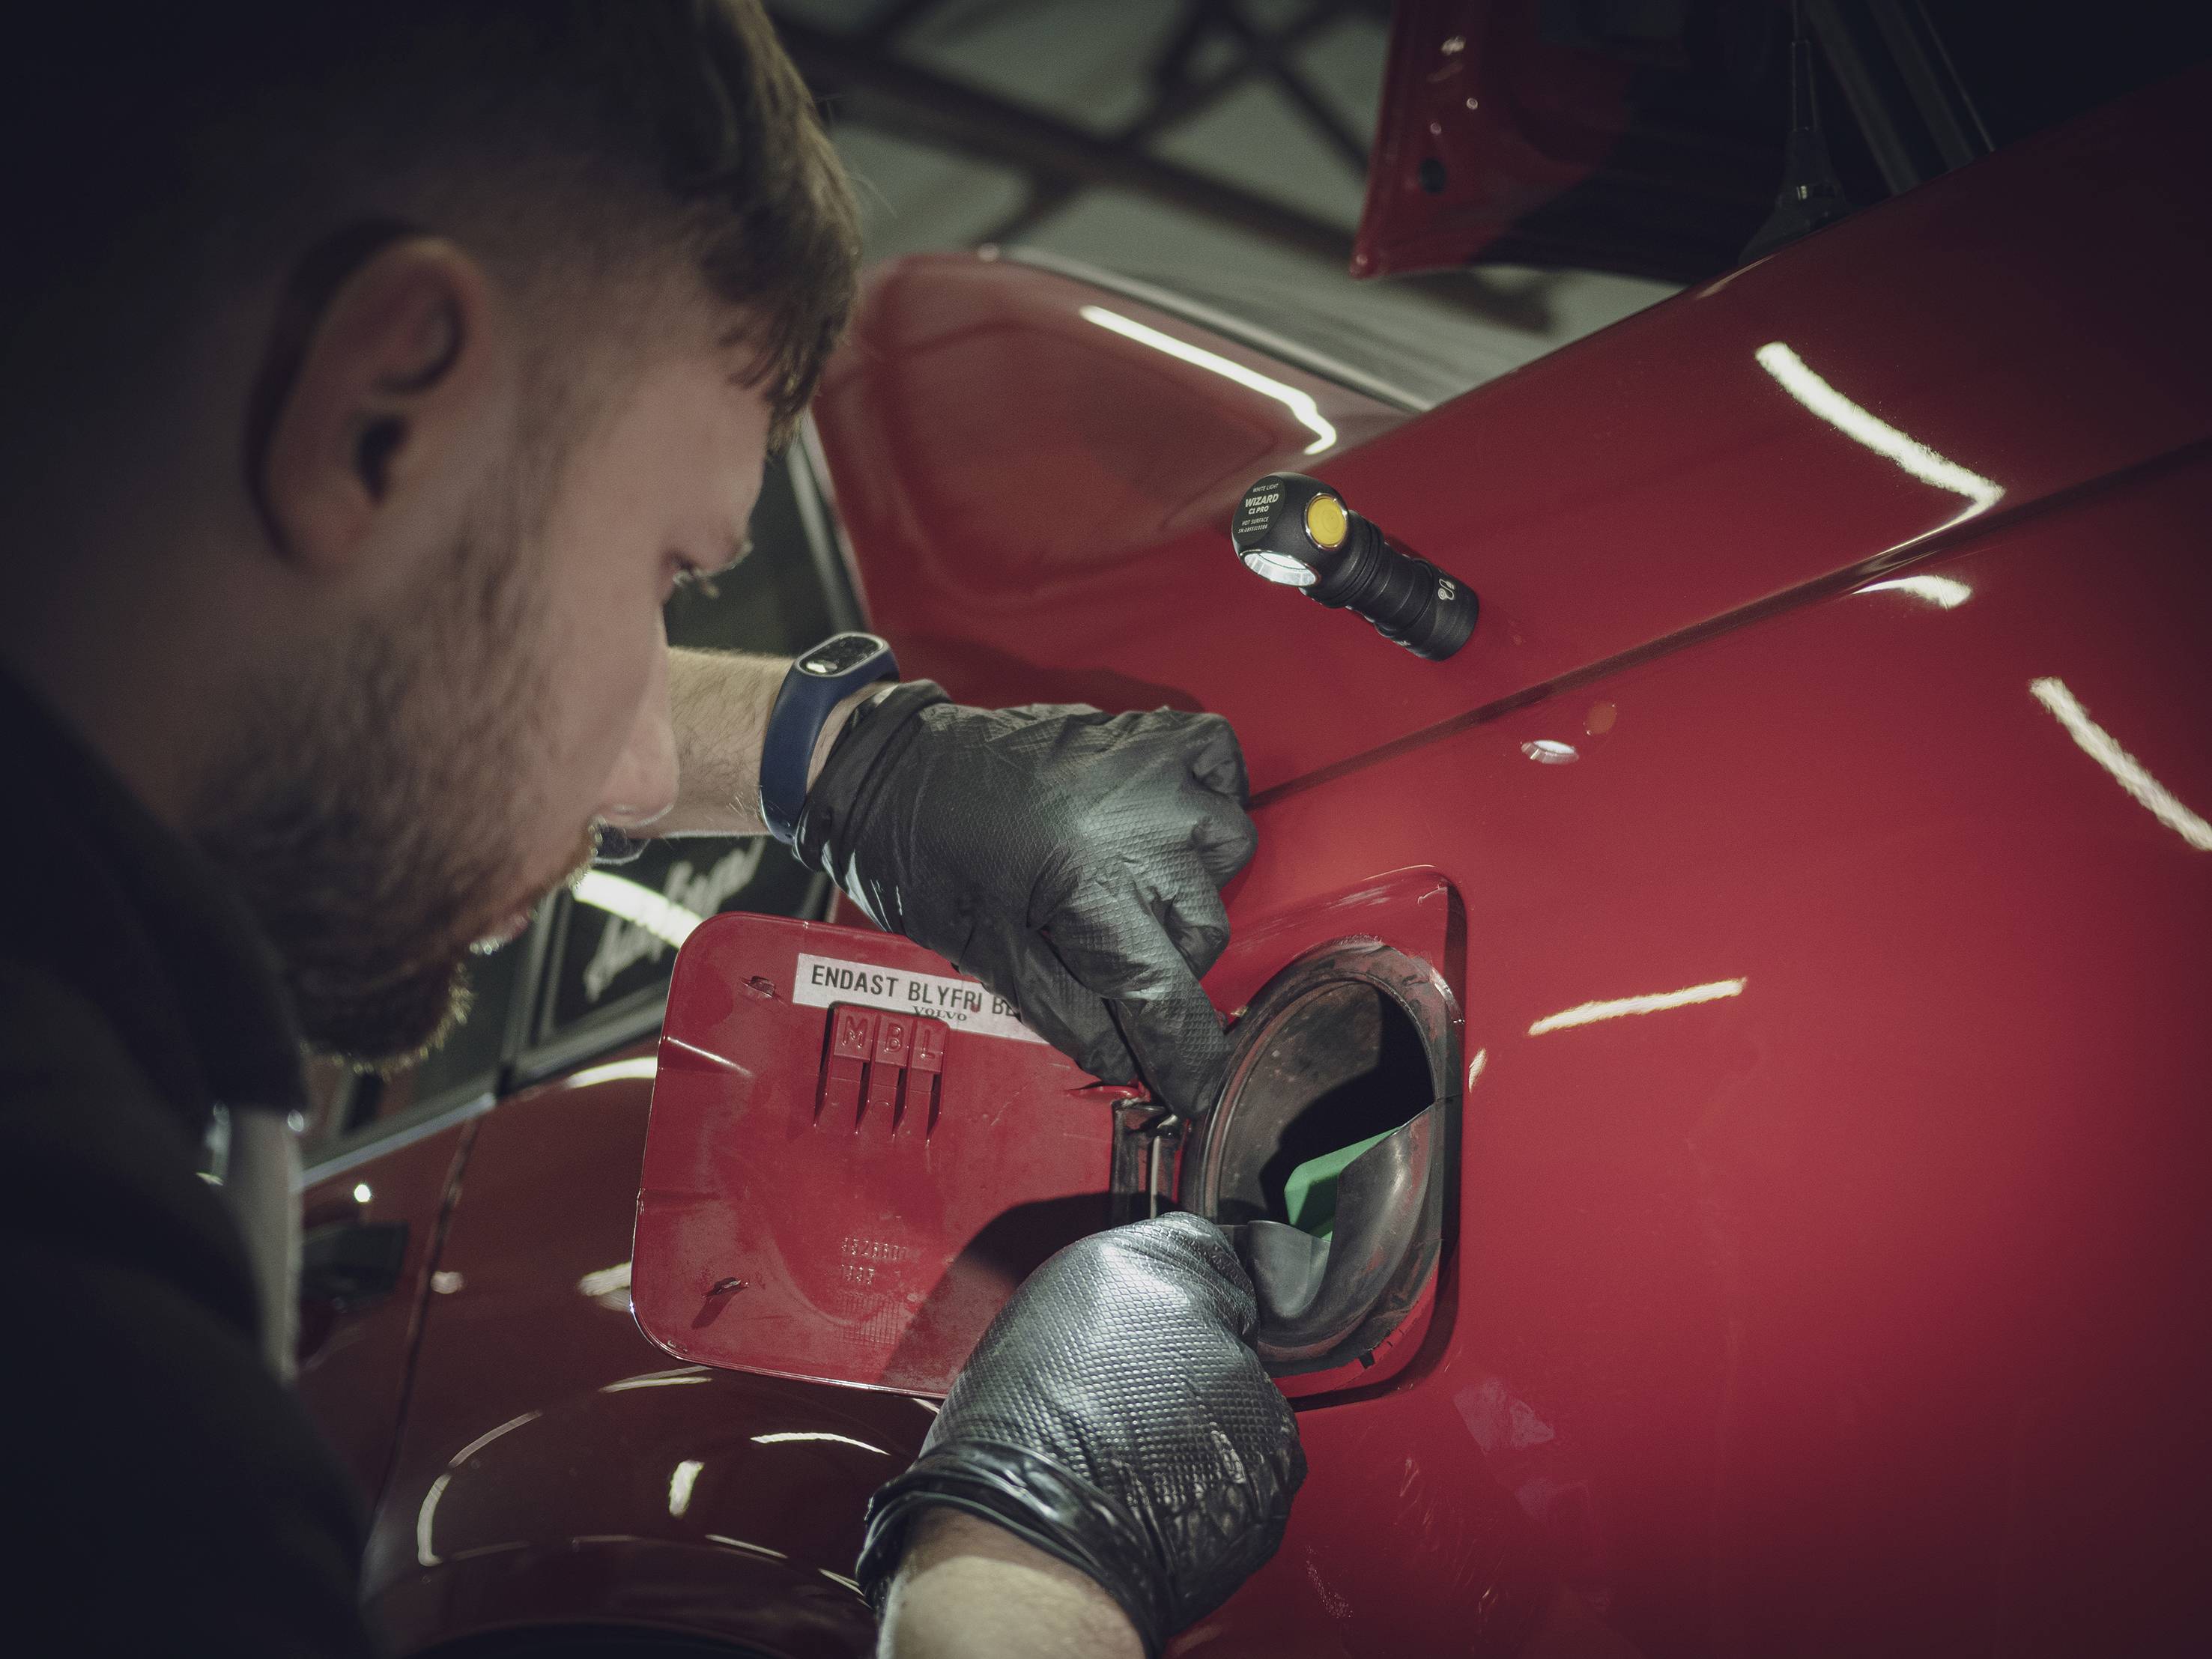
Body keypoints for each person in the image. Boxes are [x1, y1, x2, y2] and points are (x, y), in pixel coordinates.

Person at [0, 5, 1300, 1656]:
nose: (634, 785)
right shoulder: (77, 1353)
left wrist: (829, 750)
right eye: (665, 575)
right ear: (384, 415)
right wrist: (1014, 1580)